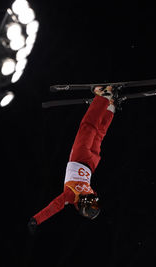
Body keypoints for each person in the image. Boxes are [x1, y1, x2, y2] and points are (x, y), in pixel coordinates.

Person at [28, 85, 117, 234]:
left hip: (87, 161)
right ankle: (104, 98)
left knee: (94, 131)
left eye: (91, 202)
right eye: (94, 201)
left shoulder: (71, 197)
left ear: (83, 204)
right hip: (85, 160)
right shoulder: (85, 197)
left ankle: (108, 105)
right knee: (89, 128)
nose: (91, 198)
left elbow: (53, 207)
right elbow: (56, 207)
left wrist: (36, 219)